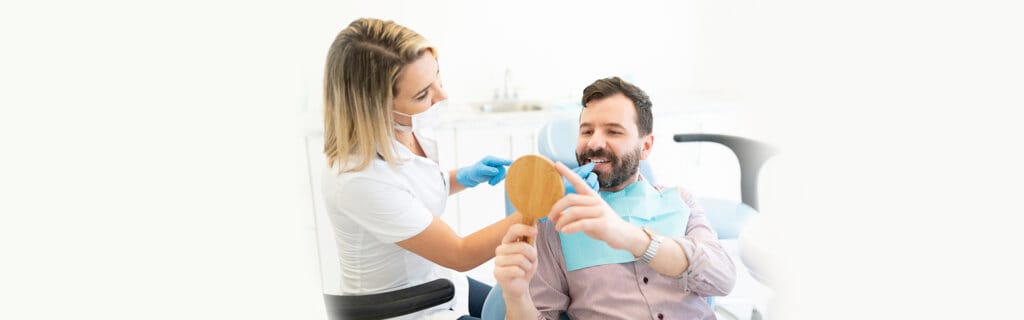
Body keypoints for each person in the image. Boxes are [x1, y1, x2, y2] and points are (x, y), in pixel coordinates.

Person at [321, 18, 522, 320]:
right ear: (376, 107)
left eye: (438, 78)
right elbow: (460, 253)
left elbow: (411, 187)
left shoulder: (407, 127)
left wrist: (461, 177)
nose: (442, 96)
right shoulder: (357, 178)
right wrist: (542, 208)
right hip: (398, 307)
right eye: (423, 94)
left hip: (434, 282)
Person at [494, 77, 736, 319]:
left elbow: (723, 279)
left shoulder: (680, 201)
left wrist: (633, 238)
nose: (594, 142)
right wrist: (517, 298)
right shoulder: (555, 225)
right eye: (587, 131)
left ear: (646, 146)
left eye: (613, 131)